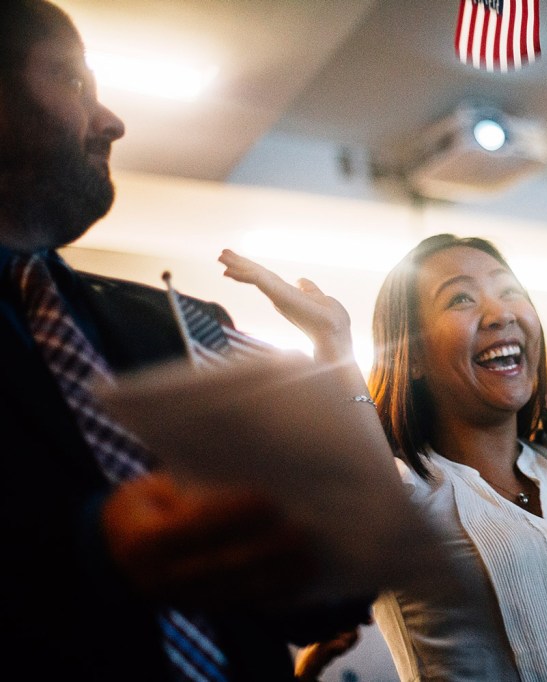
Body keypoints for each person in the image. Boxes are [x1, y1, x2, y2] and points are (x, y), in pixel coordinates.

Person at [222, 1, 547, 677]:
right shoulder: (404, 497)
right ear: (410, 357)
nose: (499, 312)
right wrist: (333, 345)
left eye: (508, 289)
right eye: (461, 299)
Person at [0, 2, 372, 679]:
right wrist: (91, 555)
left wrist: (324, 546)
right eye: (73, 81)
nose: (111, 121)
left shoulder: (176, 323)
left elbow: (314, 600)